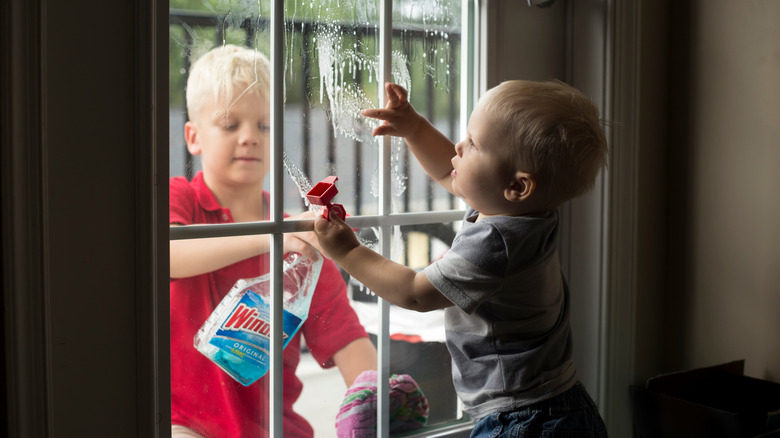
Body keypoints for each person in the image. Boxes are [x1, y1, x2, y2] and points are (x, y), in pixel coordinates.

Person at [313, 81, 610, 437]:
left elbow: (415, 292)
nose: (458, 146)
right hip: (557, 402)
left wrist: (347, 251)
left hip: (523, 419)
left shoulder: (496, 242)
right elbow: (448, 172)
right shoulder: (524, 213)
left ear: (517, 186)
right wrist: (415, 127)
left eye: (474, 144)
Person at [169, 44, 378, 438]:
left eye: (265, 126)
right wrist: (273, 237)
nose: (249, 137)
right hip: (184, 425)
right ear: (193, 137)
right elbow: (168, 255)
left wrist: (379, 399)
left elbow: (345, 338)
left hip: (275, 429)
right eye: (230, 125)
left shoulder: (298, 240)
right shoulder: (180, 200)